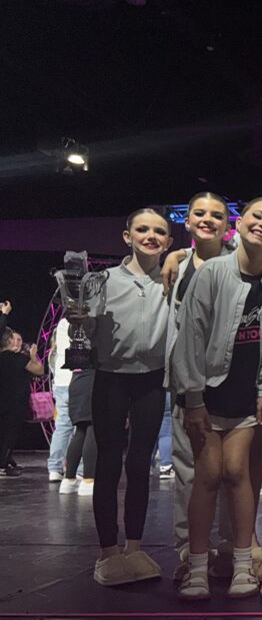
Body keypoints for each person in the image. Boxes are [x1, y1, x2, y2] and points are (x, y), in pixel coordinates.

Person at [173, 197, 262, 601]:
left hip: (245, 397)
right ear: (239, 224)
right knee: (207, 474)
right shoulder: (212, 273)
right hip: (206, 396)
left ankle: (243, 563)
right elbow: (190, 335)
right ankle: (197, 569)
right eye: (257, 216)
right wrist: (193, 398)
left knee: (238, 472)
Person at [72, 208, 172, 585]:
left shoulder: (173, 279)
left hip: (152, 380)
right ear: (127, 236)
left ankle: (134, 547)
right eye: (142, 229)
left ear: (169, 241)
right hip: (111, 378)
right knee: (109, 463)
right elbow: (87, 328)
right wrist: (78, 318)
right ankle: (107, 551)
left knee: (140, 464)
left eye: (159, 231)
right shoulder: (102, 281)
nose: (151, 236)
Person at [163, 192, 239, 582]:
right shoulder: (177, 267)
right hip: (186, 382)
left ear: (228, 225)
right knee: (188, 471)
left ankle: (228, 546)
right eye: (199, 213)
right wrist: (174, 256)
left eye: (216, 215)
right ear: (188, 220)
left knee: (229, 471)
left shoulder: (239, 262)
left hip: (229, 383)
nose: (208, 219)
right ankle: (189, 549)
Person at [0, 328, 44, 478]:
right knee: (9, 435)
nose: (19, 343)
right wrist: (33, 355)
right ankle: (2, 466)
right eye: (16, 339)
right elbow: (39, 370)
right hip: (15, 403)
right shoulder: (19, 359)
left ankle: (6, 462)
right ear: (9, 341)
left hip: (3, 401)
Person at [58, 368, 96, 496]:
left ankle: (69, 480)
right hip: (92, 382)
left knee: (80, 430)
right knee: (92, 428)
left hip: (76, 382)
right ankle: (89, 480)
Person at [46, 317, 75, 482]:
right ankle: (78, 469)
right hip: (76, 381)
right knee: (81, 427)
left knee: (63, 426)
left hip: (62, 384)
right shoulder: (80, 323)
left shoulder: (62, 324)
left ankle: (54, 468)